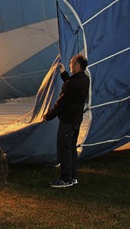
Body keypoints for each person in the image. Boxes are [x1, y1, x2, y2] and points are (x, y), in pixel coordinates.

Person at [43, 54, 90, 188]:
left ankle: (65, 179)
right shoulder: (84, 79)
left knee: (64, 149)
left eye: (71, 63)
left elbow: (61, 102)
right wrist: (64, 74)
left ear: (77, 65)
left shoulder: (74, 83)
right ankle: (73, 177)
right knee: (72, 149)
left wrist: (48, 116)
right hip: (76, 120)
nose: (70, 65)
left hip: (68, 122)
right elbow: (72, 86)